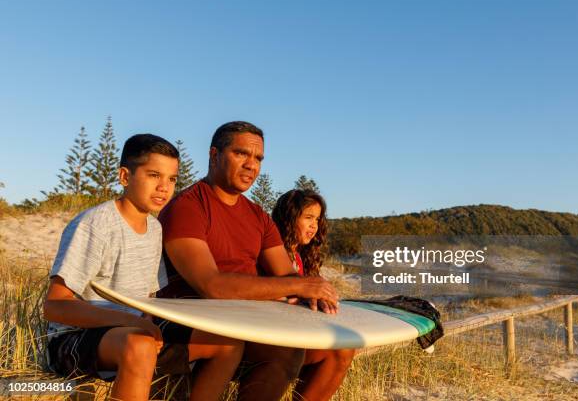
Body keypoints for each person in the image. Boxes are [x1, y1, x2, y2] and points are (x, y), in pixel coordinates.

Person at [44, 134, 244, 401]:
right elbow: (55, 306)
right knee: (141, 345)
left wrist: (146, 323)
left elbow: (149, 300)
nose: (164, 187)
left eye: (172, 179)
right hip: (75, 340)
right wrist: (131, 322)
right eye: (153, 175)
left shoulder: (155, 228)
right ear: (125, 177)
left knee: (227, 343)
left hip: (132, 330)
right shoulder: (96, 224)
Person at [157, 121, 339, 400]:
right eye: (241, 154)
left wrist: (315, 292)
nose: (251, 165)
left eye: (258, 158)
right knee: (284, 349)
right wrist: (298, 287)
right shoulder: (189, 207)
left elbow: (286, 275)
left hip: (249, 320)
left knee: (337, 349)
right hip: (200, 323)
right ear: (214, 154)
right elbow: (211, 286)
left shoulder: (258, 216)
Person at [272, 189, 356, 401]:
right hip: (270, 338)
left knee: (344, 348)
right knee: (340, 350)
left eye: (317, 219)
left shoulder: (300, 257)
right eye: (308, 218)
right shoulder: (271, 252)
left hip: (297, 335)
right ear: (289, 218)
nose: (314, 226)